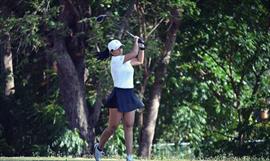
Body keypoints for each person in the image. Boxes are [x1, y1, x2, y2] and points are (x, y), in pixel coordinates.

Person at [94, 36, 145, 161]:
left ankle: (129, 156)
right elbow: (134, 53)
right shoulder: (116, 60)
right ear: (112, 52)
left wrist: (142, 47)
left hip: (129, 94)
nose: (121, 49)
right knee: (113, 127)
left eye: (121, 47)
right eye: (118, 48)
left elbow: (139, 60)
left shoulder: (125, 60)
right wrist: (136, 41)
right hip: (118, 94)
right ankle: (99, 147)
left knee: (129, 125)